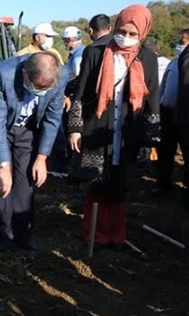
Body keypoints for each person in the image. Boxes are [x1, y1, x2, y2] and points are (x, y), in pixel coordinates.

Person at [68, 4, 160, 251]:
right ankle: (94, 235)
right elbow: (81, 92)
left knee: (121, 186)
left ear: (142, 33)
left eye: (133, 34)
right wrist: (75, 128)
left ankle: (116, 236)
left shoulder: (147, 60)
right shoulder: (96, 52)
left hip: (129, 132)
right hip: (96, 126)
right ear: (116, 26)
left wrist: (149, 142)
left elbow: (152, 102)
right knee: (96, 183)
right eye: (123, 31)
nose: (126, 38)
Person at [0, 52, 66, 252]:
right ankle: (2, 234)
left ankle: (23, 233)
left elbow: (52, 119)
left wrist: (42, 158)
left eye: (45, 89)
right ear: (25, 74)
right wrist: (3, 166)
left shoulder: (60, 77)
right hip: (1, 126)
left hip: (28, 129)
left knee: (25, 182)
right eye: (38, 87)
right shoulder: (3, 74)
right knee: (3, 183)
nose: (41, 92)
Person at [51, 26, 87, 177]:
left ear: (70, 40)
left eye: (65, 40)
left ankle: (69, 167)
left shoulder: (78, 57)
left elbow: (78, 80)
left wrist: (70, 97)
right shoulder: (77, 54)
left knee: (70, 130)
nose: (65, 43)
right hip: (72, 97)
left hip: (72, 99)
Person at [168, 29, 189, 209]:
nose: (180, 44)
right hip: (175, 113)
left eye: (182, 41)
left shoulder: (186, 57)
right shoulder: (177, 60)